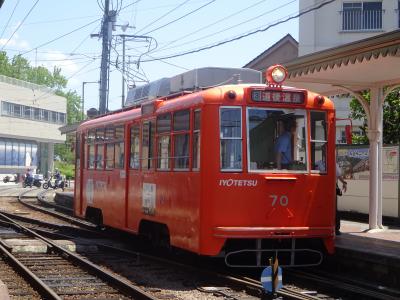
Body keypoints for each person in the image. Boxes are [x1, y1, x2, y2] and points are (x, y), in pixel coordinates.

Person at [336, 162, 347, 235]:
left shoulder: (318, 163)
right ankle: (336, 229)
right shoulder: (334, 163)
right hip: (332, 189)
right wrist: (344, 182)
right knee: (334, 210)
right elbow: (339, 175)